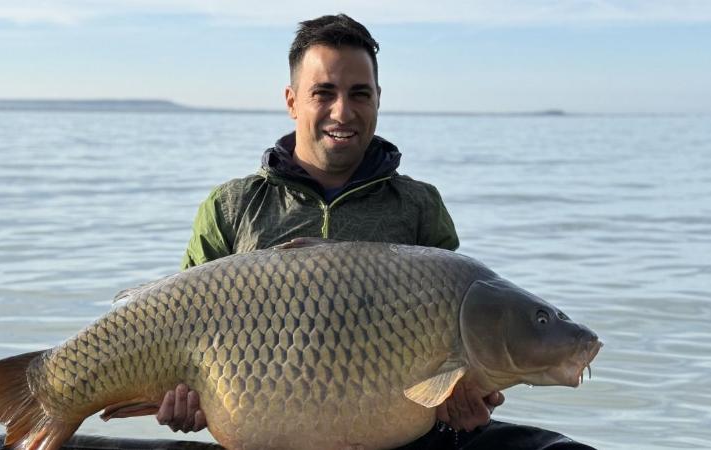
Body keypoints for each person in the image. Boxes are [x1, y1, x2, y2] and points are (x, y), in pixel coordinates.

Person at [162, 13, 595, 450]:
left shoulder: (420, 207)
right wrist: (181, 401)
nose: (342, 111)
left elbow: (451, 375)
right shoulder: (231, 207)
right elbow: (174, 328)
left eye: (359, 93)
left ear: (378, 99)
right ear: (293, 101)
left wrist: (465, 405)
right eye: (323, 93)